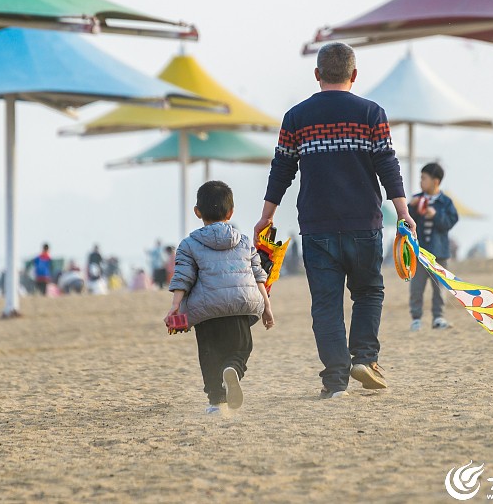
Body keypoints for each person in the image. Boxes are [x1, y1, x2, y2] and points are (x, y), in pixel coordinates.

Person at [256, 42, 416, 399]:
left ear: (317, 75)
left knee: (326, 305)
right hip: (364, 224)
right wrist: (404, 212)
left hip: (317, 226)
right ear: (354, 75)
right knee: (369, 291)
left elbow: (282, 169)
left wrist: (266, 216)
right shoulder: (372, 113)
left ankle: (335, 381)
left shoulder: (296, 117)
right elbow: (388, 165)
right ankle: (365, 358)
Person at [167, 181, 275, 414]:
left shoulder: (189, 244)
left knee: (209, 353)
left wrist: (175, 305)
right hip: (241, 304)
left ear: (197, 212)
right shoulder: (245, 242)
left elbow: (183, 276)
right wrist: (267, 306)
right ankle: (233, 370)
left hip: (206, 310)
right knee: (241, 348)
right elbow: (259, 276)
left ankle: (216, 401)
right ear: (231, 212)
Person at [408, 163, 460, 331]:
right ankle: (416, 318)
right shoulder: (417, 199)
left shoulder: (445, 202)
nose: (420, 182)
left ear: (435, 181)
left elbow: (450, 222)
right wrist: (411, 207)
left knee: (439, 288)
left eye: (424, 178)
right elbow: (407, 221)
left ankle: (438, 317)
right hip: (419, 253)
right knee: (416, 288)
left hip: (440, 253)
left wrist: (436, 215)